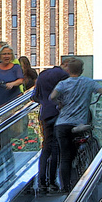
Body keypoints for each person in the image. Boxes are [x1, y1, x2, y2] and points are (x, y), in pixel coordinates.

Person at [49, 56, 102, 192]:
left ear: (68, 70)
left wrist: (59, 103)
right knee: (80, 144)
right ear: (81, 70)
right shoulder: (89, 83)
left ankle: (65, 188)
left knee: (65, 157)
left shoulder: (63, 84)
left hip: (62, 124)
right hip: (78, 124)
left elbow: (52, 97)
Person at [31, 57, 70, 193]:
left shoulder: (42, 75)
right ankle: (53, 181)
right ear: (65, 65)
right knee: (56, 148)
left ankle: (42, 181)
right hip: (59, 113)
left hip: (45, 114)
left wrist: (44, 101)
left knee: (46, 147)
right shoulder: (64, 76)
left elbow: (34, 96)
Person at [0, 45, 28, 111]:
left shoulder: (16, 67)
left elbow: (20, 80)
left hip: (13, 102)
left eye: (9, 54)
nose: (6, 56)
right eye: (4, 54)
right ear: (0, 56)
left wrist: (12, 83)